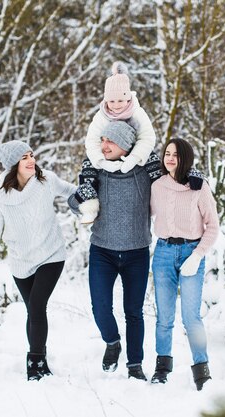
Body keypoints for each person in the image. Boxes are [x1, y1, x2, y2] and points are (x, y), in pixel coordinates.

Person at [0, 140, 77, 381]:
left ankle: (35, 363)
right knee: (33, 312)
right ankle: (41, 357)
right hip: (21, 263)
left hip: (51, 254)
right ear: (13, 164)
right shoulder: (0, 199)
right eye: (25, 157)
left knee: (37, 306)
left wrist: (84, 203)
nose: (31, 160)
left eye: (31, 155)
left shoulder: (46, 180)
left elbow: (71, 192)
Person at [68, 121, 153, 381]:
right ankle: (112, 341)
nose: (103, 145)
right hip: (102, 250)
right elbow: (74, 203)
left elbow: (175, 182)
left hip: (136, 252)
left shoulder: (145, 171)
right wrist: (80, 195)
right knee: (100, 306)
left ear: (126, 145)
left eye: (110, 141)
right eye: (102, 139)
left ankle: (135, 364)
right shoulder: (96, 169)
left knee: (134, 311)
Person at [149, 138, 220, 391]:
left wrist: (198, 255)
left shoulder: (199, 188)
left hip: (191, 252)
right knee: (164, 317)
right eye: (167, 153)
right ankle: (162, 367)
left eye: (175, 155)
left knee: (191, 318)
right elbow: (143, 214)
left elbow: (213, 226)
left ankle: (202, 371)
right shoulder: (156, 186)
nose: (169, 158)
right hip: (164, 253)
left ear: (185, 159)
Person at [75, 61, 157, 224]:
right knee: (87, 168)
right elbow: (91, 140)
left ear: (128, 98)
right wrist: (100, 162)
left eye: (120, 101)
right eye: (111, 101)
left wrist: (134, 158)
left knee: (154, 162)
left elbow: (147, 138)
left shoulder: (137, 113)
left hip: (134, 151)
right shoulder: (102, 115)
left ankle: (158, 201)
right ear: (106, 101)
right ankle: (90, 206)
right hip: (106, 153)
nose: (116, 106)